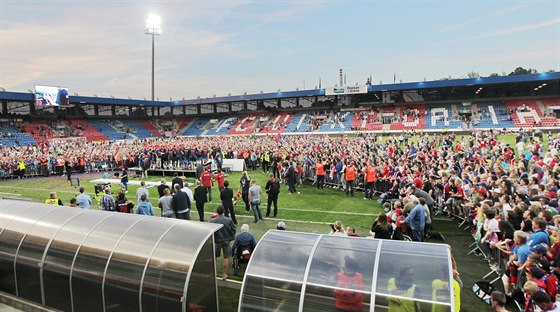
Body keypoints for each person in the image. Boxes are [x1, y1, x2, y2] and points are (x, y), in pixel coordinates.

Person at [211, 205, 236, 280]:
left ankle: (213, 273)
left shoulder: (213, 221)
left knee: (214, 257)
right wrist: (230, 236)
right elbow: (234, 230)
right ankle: (224, 274)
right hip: (226, 241)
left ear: (217, 212)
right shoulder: (229, 220)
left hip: (217, 241)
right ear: (224, 211)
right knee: (226, 257)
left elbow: (211, 231)